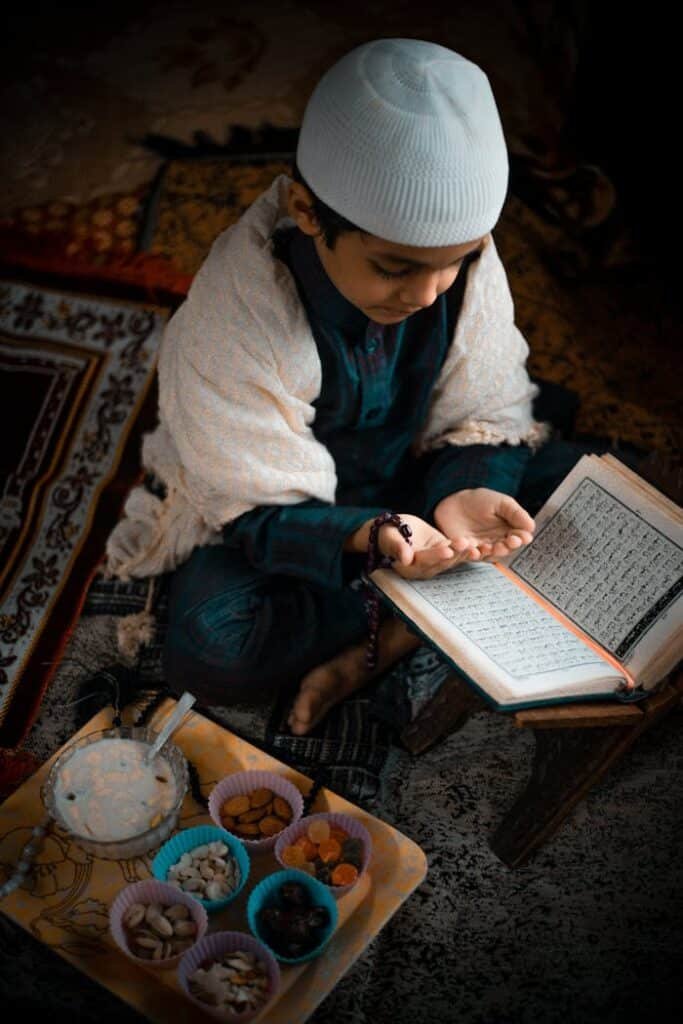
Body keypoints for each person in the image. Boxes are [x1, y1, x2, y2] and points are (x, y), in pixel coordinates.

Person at [106, 38, 588, 736]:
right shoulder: (231, 322)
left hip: (416, 473)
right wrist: (373, 536)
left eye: (453, 263)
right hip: (305, 513)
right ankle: (415, 614)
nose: (427, 295)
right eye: (394, 268)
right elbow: (254, 510)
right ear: (307, 212)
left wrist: (467, 489)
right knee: (214, 646)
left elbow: (484, 409)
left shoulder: (460, 271)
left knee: (591, 497)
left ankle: (392, 632)